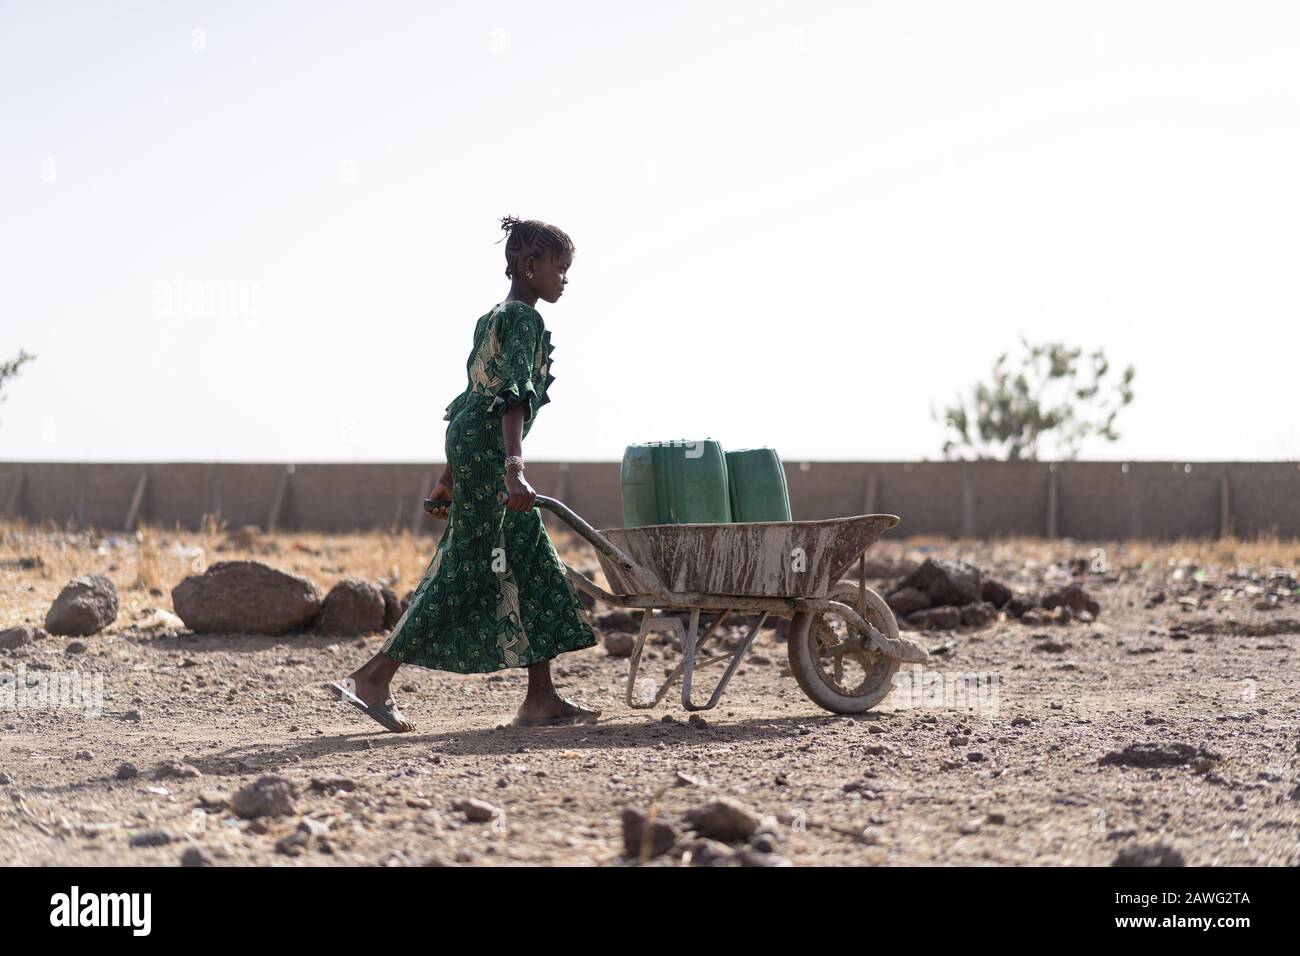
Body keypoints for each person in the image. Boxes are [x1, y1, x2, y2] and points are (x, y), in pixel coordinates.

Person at [330, 216, 601, 732]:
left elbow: (468, 403)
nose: (565, 279)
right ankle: (374, 676)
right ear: (529, 266)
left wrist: (447, 478)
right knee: (469, 563)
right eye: (559, 269)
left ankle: (541, 698)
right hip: (492, 453)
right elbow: (510, 397)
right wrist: (513, 469)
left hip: (472, 448)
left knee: (531, 562)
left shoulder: (490, 318)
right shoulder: (524, 321)